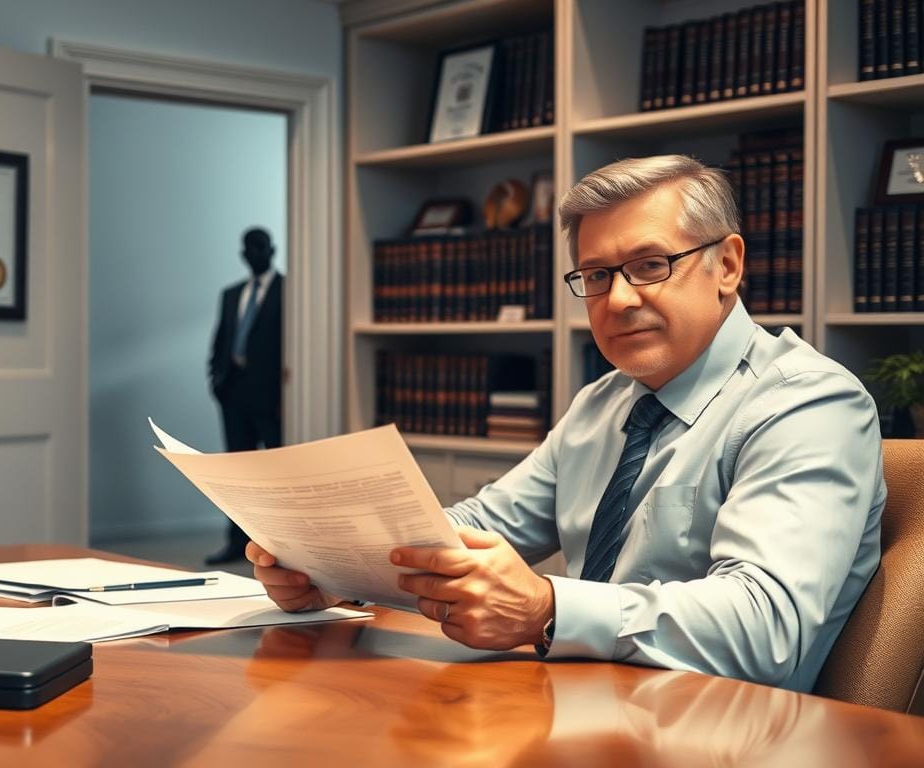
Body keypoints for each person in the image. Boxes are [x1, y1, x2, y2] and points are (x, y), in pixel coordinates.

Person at [248, 155, 886, 692]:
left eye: (650, 265)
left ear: (727, 265)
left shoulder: (807, 403)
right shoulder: (603, 404)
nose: (621, 299)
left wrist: (546, 609)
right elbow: (476, 529)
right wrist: (331, 566)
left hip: (726, 733)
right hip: (582, 703)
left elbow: (765, 628)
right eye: (598, 276)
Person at [206, 227, 284, 565]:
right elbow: (222, 339)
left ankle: (280, 545)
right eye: (248, 248)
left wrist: (287, 394)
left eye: (260, 247)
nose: (254, 253)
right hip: (234, 393)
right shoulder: (231, 293)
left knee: (276, 473)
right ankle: (236, 540)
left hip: (272, 397)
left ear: (272, 250)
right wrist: (216, 379)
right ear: (243, 254)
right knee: (237, 473)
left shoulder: (289, 290)